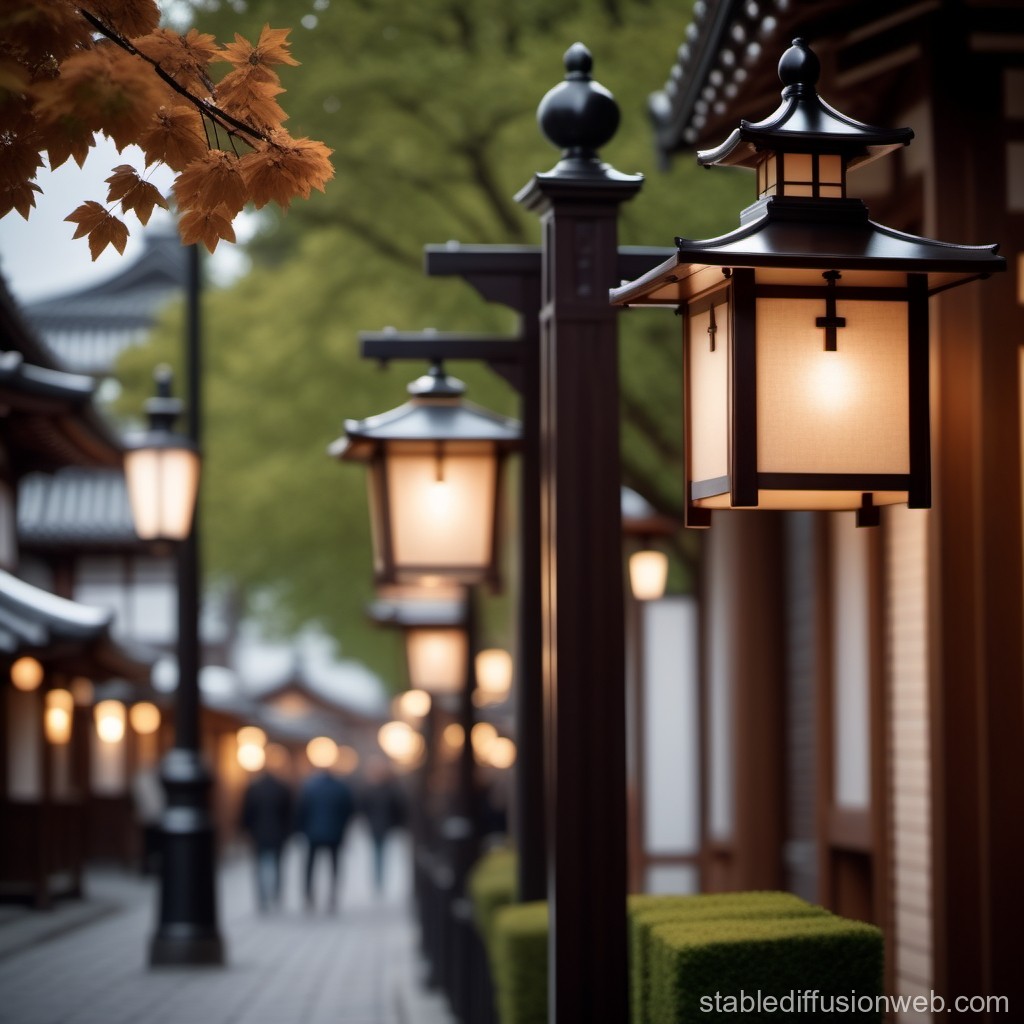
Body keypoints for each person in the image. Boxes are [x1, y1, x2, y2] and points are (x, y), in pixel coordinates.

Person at [295, 766, 355, 911]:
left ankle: (309, 894)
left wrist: (300, 830)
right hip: (334, 833)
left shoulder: (310, 787)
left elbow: (301, 810)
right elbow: (349, 811)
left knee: (310, 865)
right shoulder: (340, 788)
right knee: (334, 865)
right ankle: (332, 894)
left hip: (313, 833)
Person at [240, 767, 293, 912]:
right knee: (277, 865)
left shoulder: (254, 789)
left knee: (259, 866)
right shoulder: (282, 789)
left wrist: (245, 831)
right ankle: (276, 893)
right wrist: (288, 832)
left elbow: (247, 813)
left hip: (259, 833)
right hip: (278, 834)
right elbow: (289, 813)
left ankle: (262, 897)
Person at [357, 756, 406, 896]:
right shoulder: (381, 789)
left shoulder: (379, 789)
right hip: (379, 826)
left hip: (382, 826)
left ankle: (378, 880)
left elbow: (398, 808)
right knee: (379, 853)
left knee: (379, 853)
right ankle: (378, 880)